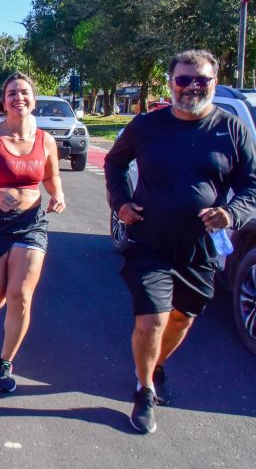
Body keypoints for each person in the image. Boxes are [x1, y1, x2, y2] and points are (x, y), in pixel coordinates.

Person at [105, 49, 256, 434]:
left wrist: (232, 214)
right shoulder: (146, 126)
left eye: (201, 80)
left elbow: (250, 185)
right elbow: (115, 163)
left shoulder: (231, 129)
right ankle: (145, 389)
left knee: (182, 318)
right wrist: (121, 202)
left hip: (201, 248)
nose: (191, 87)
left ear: (214, 83)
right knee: (152, 319)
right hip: (149, 241)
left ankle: (155, 365)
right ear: (170, 83)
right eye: (183, 79)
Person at [0, 72, 65, 394]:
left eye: (24, 93)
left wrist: (57, 194)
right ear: (3, 102)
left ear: (33, 99)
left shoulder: (45, 140)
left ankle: (5, 361)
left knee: (21, 295)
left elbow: (51, 176)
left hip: (31, 223)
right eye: (12, 94)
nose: (19, 98)